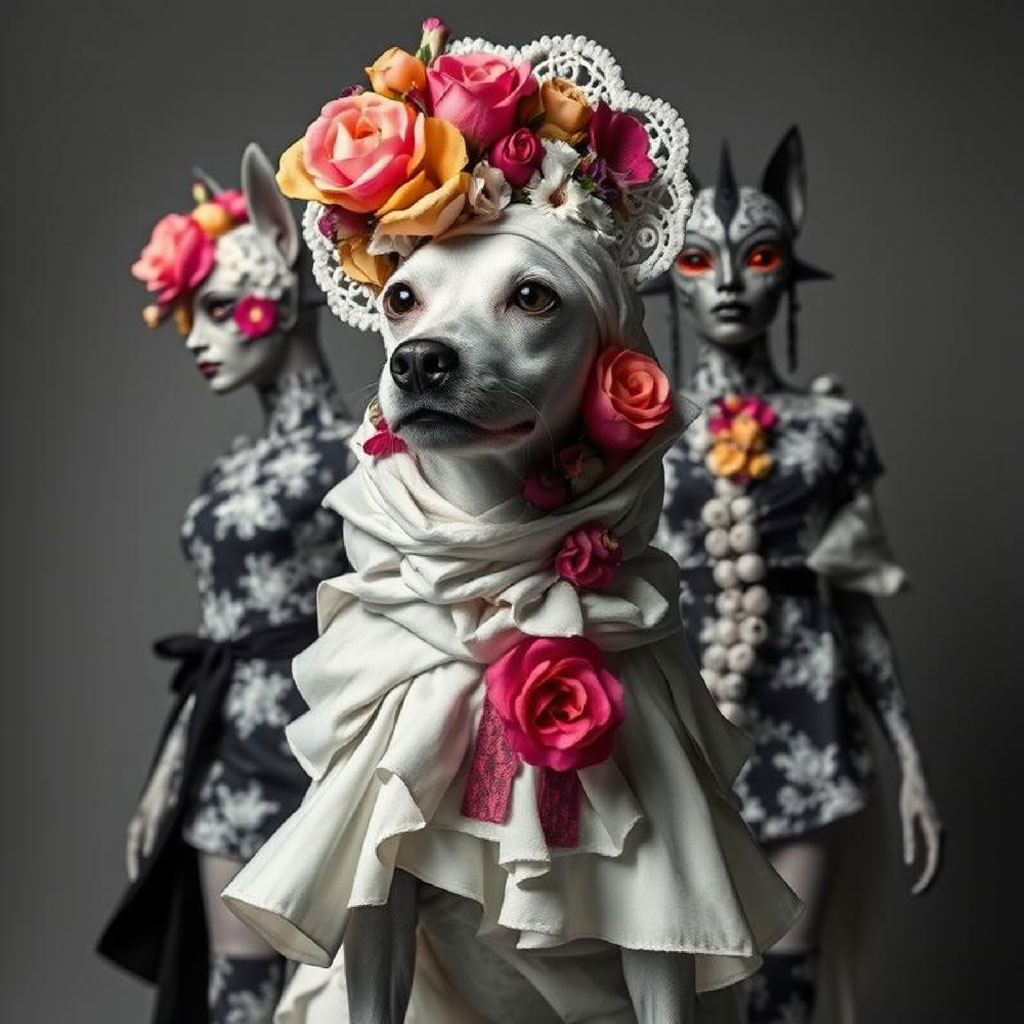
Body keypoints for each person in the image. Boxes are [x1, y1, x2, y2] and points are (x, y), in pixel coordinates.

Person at [97, 145, 356, 1024]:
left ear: (283, 281)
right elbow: (218, 634)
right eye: (189, 321)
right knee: (237, 992)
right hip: (229, 749)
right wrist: (171, 770)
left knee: (348, 987)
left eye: (215, 312)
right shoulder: (235, 464)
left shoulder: (364, 451)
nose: (199, 342)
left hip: (331, 745)